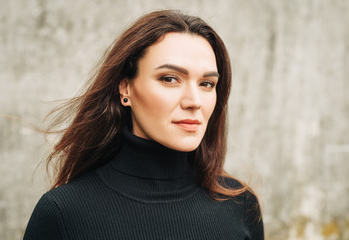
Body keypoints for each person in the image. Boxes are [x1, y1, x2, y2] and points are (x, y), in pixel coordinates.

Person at [23, 10, 264, 240]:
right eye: (170, 79)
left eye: (207, 83)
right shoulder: (63, 213)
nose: (194, 101)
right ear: (125, 87)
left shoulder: (241, 205)